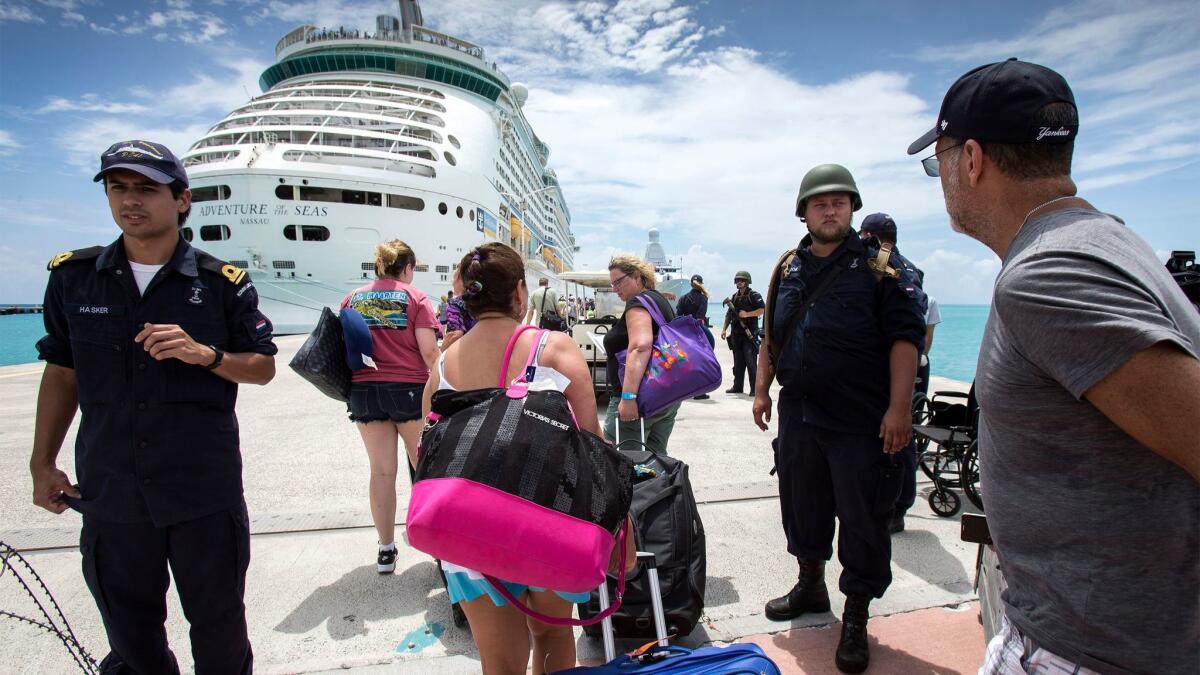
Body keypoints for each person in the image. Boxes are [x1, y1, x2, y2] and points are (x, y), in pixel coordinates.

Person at [908, 58, 1200, 675]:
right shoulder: (1109, 241)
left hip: (1088, 650)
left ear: (973, 159)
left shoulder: (1048, 274)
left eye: (938, 161)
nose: (942, 179)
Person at [30, 140, 277, 674]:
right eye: (118, 188)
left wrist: (204, 354)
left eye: (146, 188)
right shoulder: (73, 278)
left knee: (219, 634)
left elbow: (261, 366)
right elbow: (61, 372)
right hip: (112, 492)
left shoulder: (219, 283)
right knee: (132, 638)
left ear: (182, 199)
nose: (130, 200)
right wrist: (41, 461)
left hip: (201, 493)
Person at [752, 163, 926, 673]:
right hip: (800, 415)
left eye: (840, 202)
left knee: (862, 517)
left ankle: (856, 615)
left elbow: (904, 341)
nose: (830, 210)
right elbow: (772, 337)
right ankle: (810, 585)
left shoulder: (881, 268)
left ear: (851, 207)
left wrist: (899, 409)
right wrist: (761, 391)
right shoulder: (787, 268)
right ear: (803, 211)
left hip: (860, 420)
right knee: (802, 504)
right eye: (819, 203)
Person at [422, 242, 617, 674]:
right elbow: (592, 445)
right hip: (548, 523)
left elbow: (428, 450)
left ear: (467, 298)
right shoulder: (556, 348)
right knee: (552, 634)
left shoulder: (443, 365)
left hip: (471, 536)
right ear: (520, 292)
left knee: (500, 661)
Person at [341, 240, 440, 573]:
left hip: (364, 392)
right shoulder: (416, 298)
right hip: (408, 391)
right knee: (425, 468)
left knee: (381, 471)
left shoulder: (352, 298)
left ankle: (385, 550)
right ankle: (439, 546)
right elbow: (429, 351)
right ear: (408, 268)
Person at [858, 212, 938, 534]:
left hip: (887, 369)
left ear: (872, 237)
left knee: (896, 439)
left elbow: (901, 331)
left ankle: (895, 507)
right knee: (898, 438)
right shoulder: (910, 269)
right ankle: (894, 504)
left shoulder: (885, 265)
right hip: (905, 366)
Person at [603, 254, 681, 454]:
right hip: (665, 396)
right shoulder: (657, 300)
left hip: (639, 400)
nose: (615, 289)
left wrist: (628, 397)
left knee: (622, 466)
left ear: (637, 276)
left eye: (619, 281)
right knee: (655, 463)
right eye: (612, 284)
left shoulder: (637, 303)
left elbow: (641, 345)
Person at [720, 271, 764, 395]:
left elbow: (762, 309)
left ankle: (755, 390)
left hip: (749, 334)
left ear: (747, 281)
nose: (739, 282)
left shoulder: (754, 295)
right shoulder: (734, 297)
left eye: (742, 280)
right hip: (736, 334)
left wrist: (747, 314)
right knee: (738, 363)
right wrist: (724, 329)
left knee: (751, 363)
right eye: (738, 280)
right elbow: (729, 315)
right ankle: (737, 386)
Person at [676, 274, 714, 400]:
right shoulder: (703, 298)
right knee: (703, 359)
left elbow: (678, 316)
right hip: (697, 330)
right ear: (701, 284)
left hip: (684, 331)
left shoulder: (682, 298)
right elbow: (700, 317)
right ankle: (699, 392)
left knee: (685, 362)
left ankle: (683, 390)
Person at [441, 267, 475, 352]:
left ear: (459, 279)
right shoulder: (480, 303)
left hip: (462, 355)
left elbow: (454, 335)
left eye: (453, 277)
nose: (452, 282)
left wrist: (440, 354)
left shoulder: (455, 304)